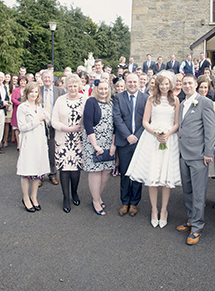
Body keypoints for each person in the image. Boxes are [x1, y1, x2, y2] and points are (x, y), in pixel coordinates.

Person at [126, 74, 181, 228]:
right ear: (157, 85)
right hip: (152, 139)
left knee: (165, 177)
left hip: (169, 140)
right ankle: (154, 210)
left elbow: (177, 123)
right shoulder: (151, 99)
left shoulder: (175, 100)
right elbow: (145, 121)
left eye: (167, 84)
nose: (164, 86)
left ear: (171, 85)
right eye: (161, 84)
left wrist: (167, 134)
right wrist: (156, 133)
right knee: (153, 177)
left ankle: (164, 210)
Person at [175, 74, 215, 245]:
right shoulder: (182, 102)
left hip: (199, 155)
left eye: (190, 83)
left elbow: (210, 129)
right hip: (183, 154)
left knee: (199, 193)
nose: (187, 86)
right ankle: (191, 219)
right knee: (187, 190)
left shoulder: (205, 102)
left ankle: (197, 228)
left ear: (196, 85)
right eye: (184, 83)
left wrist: (208, 153)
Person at [113, 72, 148, 217]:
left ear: (140, 82)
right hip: (124, 142)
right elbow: (117, 118)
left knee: (137, 173)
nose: (132, 84)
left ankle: (134, 203)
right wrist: (127, 136)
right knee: (125, 173)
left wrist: (137, 136)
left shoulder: (146, 99)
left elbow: (148, 119)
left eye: (135, 82)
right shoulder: (118, 98)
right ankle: (125, 202)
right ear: (125, 83)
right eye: (130, 82)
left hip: (140, 141)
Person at [51, 74, 86, 213]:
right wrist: (69, 129)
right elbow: (54, 121)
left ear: (79, 86)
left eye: (75, 85)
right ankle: (66, 197)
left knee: (76, 170)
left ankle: (74, 193)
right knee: (64, 170)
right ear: (66, 87)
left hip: (79, 140)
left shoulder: (85, 99)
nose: (72, 88)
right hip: (63, 139)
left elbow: (90, 118)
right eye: (70, 86)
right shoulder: (60, 100)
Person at [16, 82, 52, 212]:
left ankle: (34, 197)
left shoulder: (40, 107)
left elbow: (50, 122)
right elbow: (22, 127)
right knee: (26, 171)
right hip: (28, 142)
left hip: (40, 144)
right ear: (27, 93)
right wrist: (38, 119)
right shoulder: (22, 107)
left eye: (36, 92)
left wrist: (47, 117)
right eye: (31, 92)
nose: (33, 94)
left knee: (37, 172)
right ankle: (26, 198)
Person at [82, 79, 116, 216]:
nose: (103, 91)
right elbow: (88, 124)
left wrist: (113, 144)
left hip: (109, 141)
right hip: (94, 141)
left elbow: (115, 125)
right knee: (96, 172)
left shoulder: (112, 103)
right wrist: (95, 146)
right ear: (96, 89)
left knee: (106, 170)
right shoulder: (91, 102)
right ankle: (96, 201)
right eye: (101, 89)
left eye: (106, 89)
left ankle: (97, 196)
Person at [41, 69, 65, 185]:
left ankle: (52, 174)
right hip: (40, 125)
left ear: (53, 79)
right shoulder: (37, 91)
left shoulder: (60, 91)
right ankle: (39, 175)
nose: (47, 79)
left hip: (54, 125)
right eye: (45, 77)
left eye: (49, 78)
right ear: (41, 79)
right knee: (40, 150)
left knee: (52, 150)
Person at [10, 76, 27, 150]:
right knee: (17, 128)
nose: (23, 82)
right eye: (21, 81)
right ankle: (18, 144)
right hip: (17, 109)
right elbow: (13, 99)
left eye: (24, 81)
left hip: (26, 110)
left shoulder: (28, 90)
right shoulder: (15, 90)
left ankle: (25, 144)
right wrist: (20, 104)